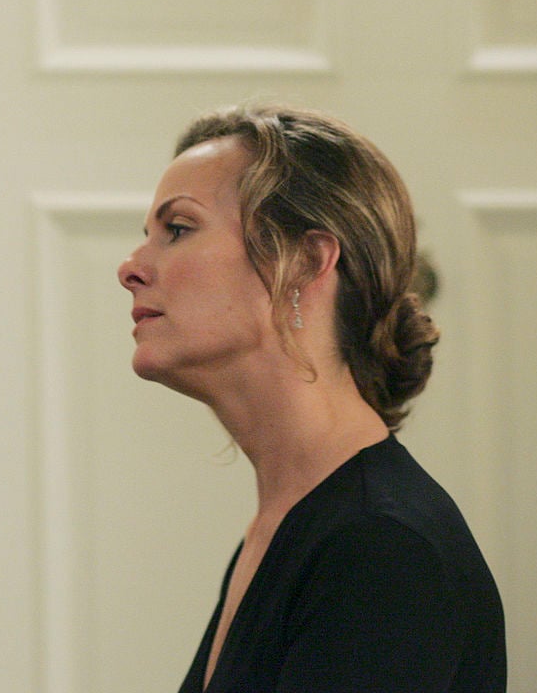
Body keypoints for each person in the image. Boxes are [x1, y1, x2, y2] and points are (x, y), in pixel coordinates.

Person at [117, 104, 506, 692]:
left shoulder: (383, 551)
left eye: (178, 228)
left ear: (306, 260)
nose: (130, 267)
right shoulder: (287, 528)